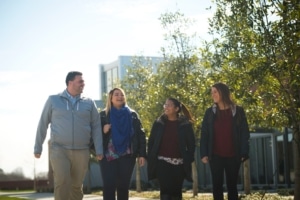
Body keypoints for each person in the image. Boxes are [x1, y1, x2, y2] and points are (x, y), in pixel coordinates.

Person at [34, 71, 103, 200]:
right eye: (80, 81)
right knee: (62, 183)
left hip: (82, 150)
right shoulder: (53, 100)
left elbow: (96, 127)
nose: (83, 84)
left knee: (76, 186)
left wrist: (99, 149)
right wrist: (38, 147)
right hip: (59, 149)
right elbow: (43, 123)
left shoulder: (89, 103)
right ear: (70, 83)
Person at [200, 82, 250, 200]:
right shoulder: (209, 112)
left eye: (215, 92)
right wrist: (204, 153)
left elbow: (244, 133)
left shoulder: (238, 111)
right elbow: (204, 134)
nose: (213, 95)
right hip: (215, 155)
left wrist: (244, 152)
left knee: (232, 186)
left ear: (223, 92)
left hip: (233, 155)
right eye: (211, 92)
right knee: (217, 186)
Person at [99, 87, 146, 200]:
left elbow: (140, 135)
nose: (120, 97)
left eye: (122, 95)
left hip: (127, 155)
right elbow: (93, 135)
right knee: (109, 186)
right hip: (107, 156)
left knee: (123, 187)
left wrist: (142, 154)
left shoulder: (132, 114)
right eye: (116, 94)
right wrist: (103, 130)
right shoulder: (103, 115)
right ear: (111, 98)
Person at [147, 97, 196, 200]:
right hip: (162, 163)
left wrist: (188, 158)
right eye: (165, 105)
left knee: (176, 193)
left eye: (169, 105)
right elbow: (151, 142)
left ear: (176, 109)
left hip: (179, 165)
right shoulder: (158, 123)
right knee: (165, 192)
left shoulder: (185, 125)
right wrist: (151, 157)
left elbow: (191, 144)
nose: (166, 107)